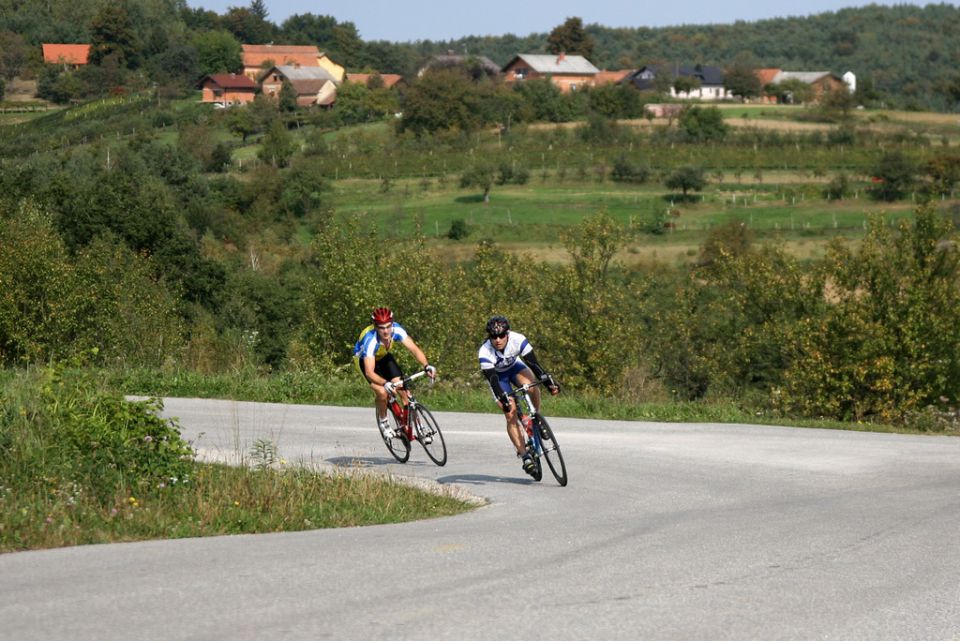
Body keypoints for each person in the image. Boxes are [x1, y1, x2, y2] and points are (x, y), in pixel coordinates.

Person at [478, 315, 559, 476]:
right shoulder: (484, 352)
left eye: (501, 336)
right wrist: (502, 397)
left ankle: (536, 418)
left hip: (515, 368)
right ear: (489, 337)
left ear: (507, 333)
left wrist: (549, 382)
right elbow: (493, 379)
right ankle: (524, 456)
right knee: (510, 415)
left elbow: (534, 365)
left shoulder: (518, 339)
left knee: (531, 384)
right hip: (499, 378)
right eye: (494, 337)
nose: (498, 340)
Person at [354, 307, 436, 439]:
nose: (386, 331)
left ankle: (419, 428)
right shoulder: (371, 341)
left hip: (383, 357)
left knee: (404, 391)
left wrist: (426, 365)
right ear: (375, 327)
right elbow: (369, 372)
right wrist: (385, 383)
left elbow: (414, 349)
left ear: (392, 324)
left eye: (388, 326)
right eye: (381, 328)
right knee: (382, 392)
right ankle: (384, 422)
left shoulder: (397, 330)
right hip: (365, 362)